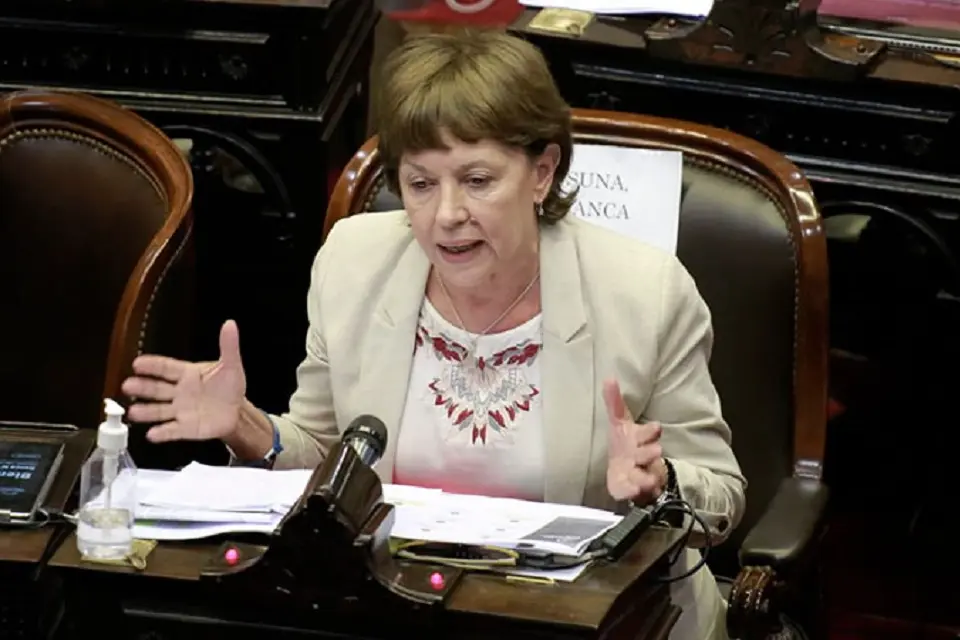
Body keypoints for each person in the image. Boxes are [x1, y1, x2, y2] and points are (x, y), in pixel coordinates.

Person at [122, 30, 746, 640]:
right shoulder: (354, 262)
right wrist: (248, 427)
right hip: (399, 605)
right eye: (420, 184)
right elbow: (328, 456)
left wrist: (659, 481)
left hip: (590, 620)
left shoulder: (644, 290)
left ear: (542, 171)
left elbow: (722, 500)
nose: (446, 215)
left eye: (477, 181)